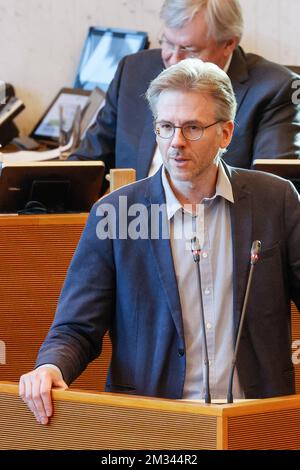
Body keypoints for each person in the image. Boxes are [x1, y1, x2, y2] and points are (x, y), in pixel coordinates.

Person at [20, 58, 300, 425]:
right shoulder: (116, 213)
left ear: (226, 133)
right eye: (166, 127)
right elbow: (76, 325)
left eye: (193, 128)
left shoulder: (275, 200)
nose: (176, 142)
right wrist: (50, 365)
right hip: (154, 421)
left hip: (255, 419)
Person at [69, 0, 300, 183]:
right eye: (167, 43)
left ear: (229, 44)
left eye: (189, 49)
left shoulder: (275, 89)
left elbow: (273, 190)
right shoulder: (133, 70)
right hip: (132, 226)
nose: (173, 58)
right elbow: (89, 161)